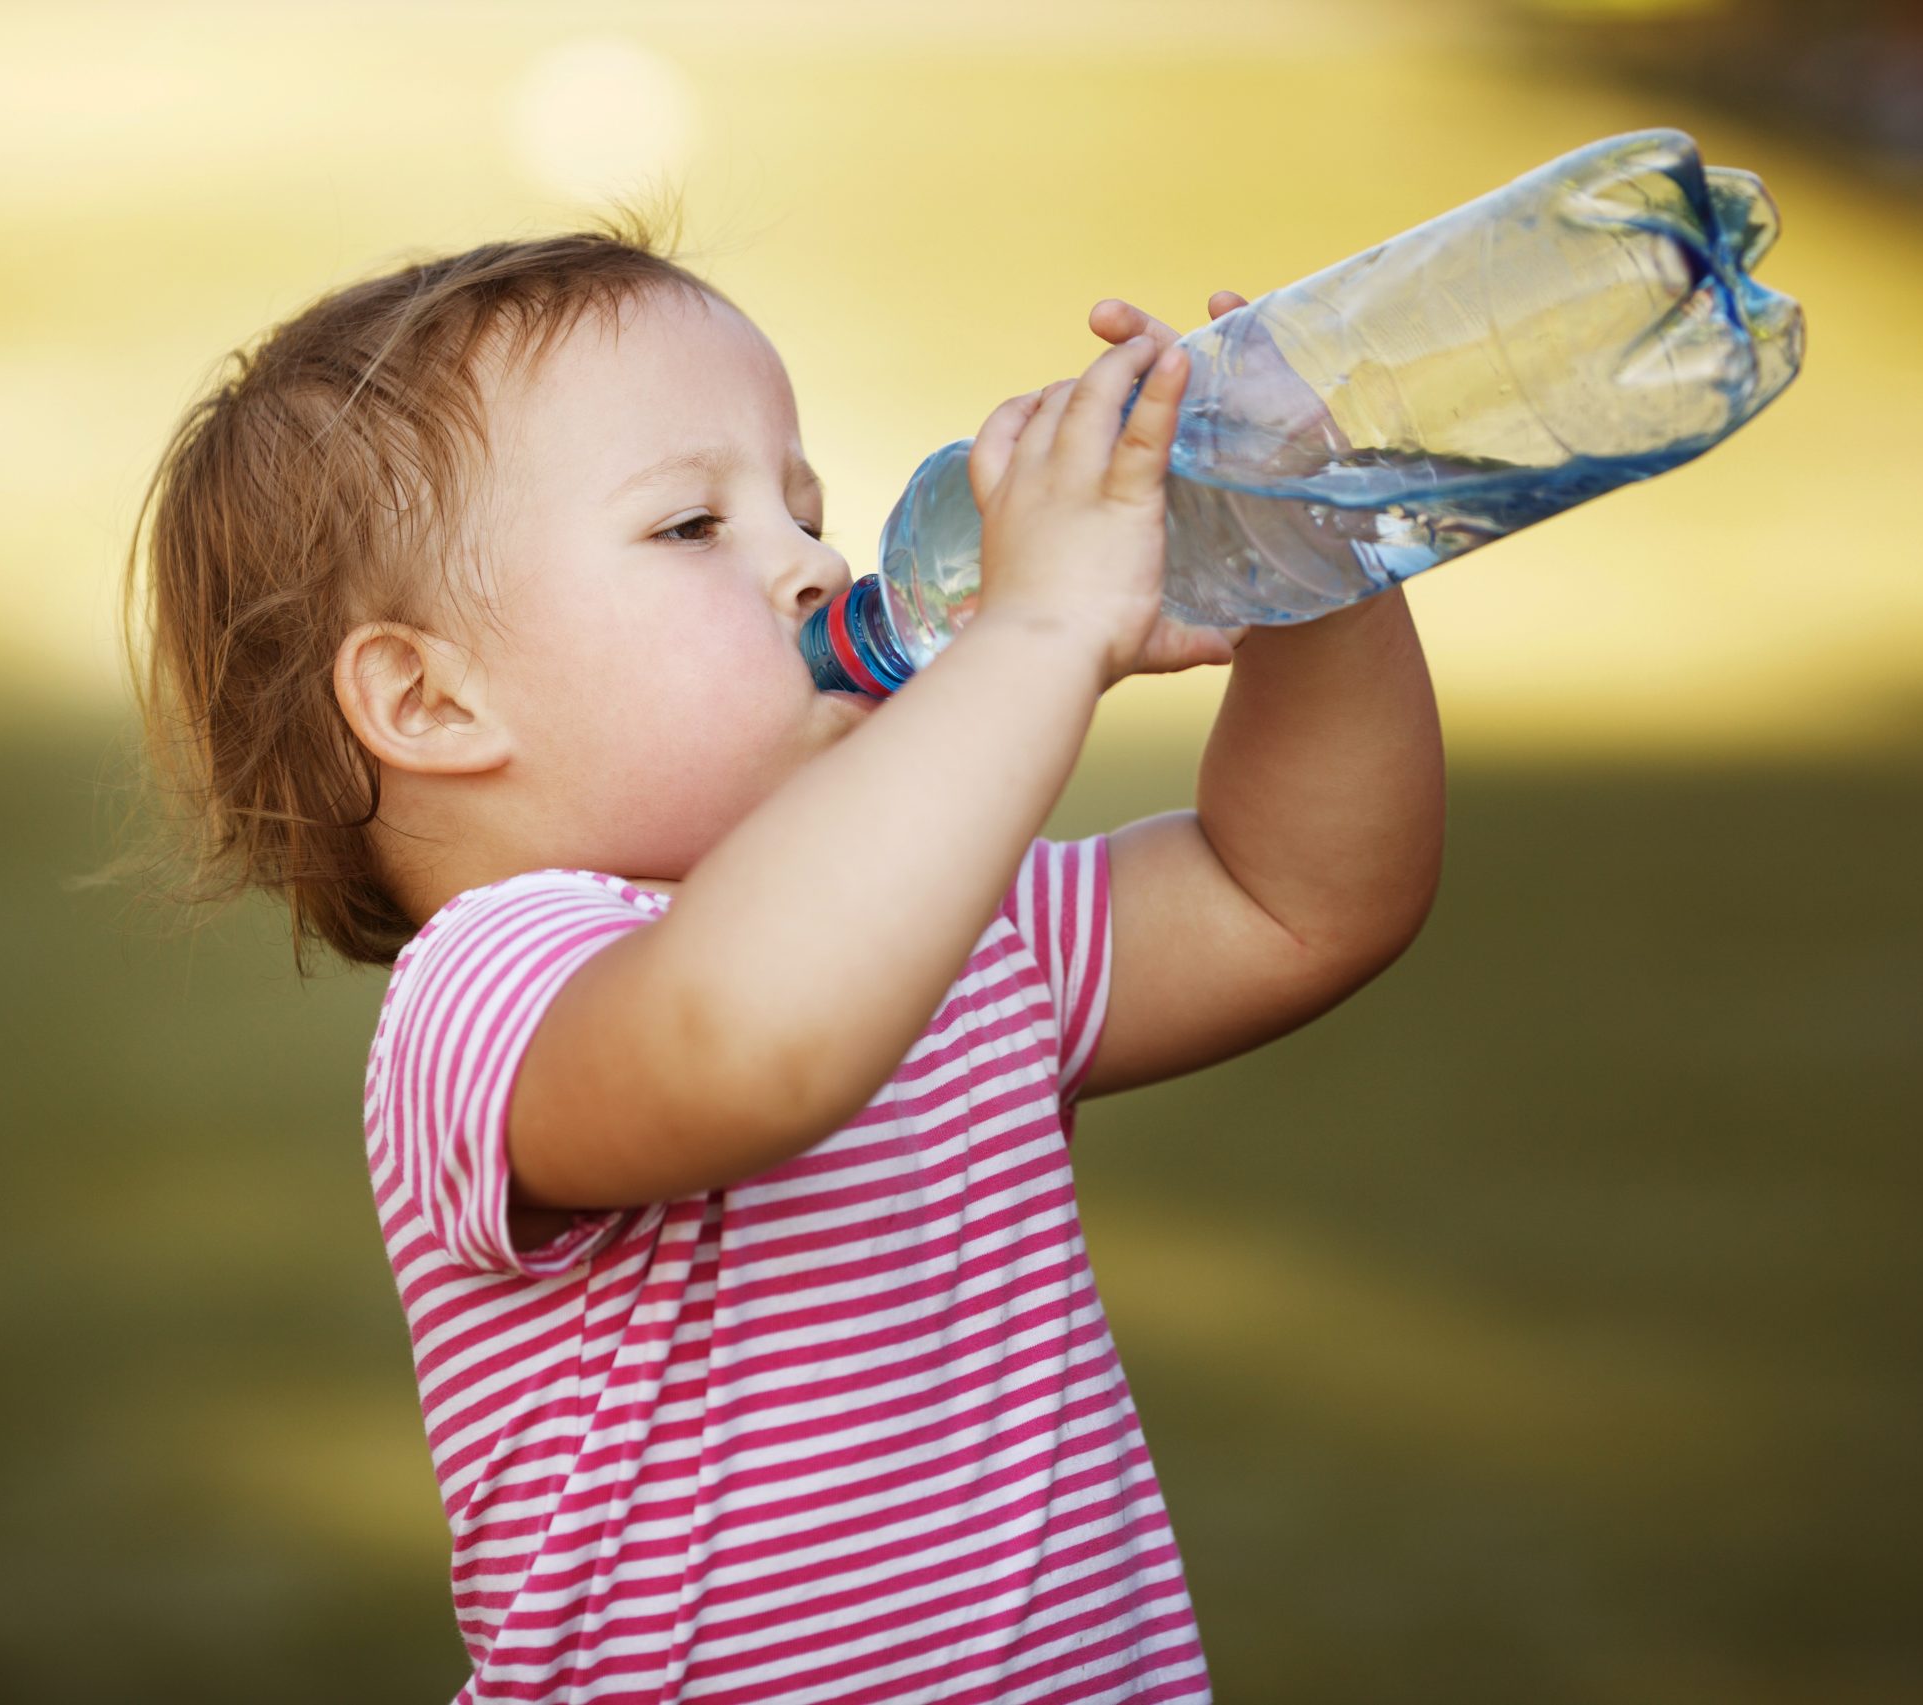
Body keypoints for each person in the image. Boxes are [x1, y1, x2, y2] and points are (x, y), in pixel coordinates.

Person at [120, 212, 1445, 1702]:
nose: (817, 564)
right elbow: (749, 1045)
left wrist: (1313, 563)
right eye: (695, 526)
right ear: (427, 701)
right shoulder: (489, 992)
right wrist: (1042, 629)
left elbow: (1303, 899)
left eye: (805, 508)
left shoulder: (954, 927)